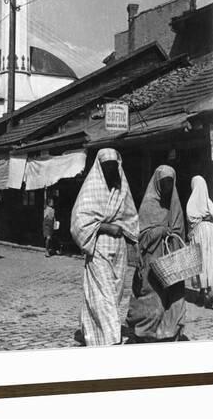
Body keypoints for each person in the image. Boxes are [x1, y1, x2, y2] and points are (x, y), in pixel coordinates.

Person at [70, 148, 139, 346]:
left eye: (114, 166)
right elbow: (79, 222)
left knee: (115, 293)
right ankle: (111, 338)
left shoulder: (121, 189)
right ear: (100, 168)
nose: (111, 170)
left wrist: (132, 239)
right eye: (106, 166)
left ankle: (95, 331)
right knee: (104, 294)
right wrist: (106, 226)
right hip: (98, 247)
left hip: (119, 251)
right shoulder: (91, 189)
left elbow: (131, 217)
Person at [126, 165, 187, 343]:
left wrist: (173, 236)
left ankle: (169, 331)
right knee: (152, 298)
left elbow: (180, 231)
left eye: (170, 182)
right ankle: (145, 332)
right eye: (164, 182)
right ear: (157, 183)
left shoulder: (175, 206)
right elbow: (141, 236)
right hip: (151, 261)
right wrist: (159, 231)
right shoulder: (149, 205)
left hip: (172, 260)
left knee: (174, 297)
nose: (167, 187)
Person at [187, 175, 213, 309]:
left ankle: (203, 292)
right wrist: (208, 216)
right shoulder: (208, 201)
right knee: (209, 260)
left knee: (200, 261)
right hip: (211, 231)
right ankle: (207, 290)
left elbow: (190, 217)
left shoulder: (192, 202)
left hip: (200, 232)